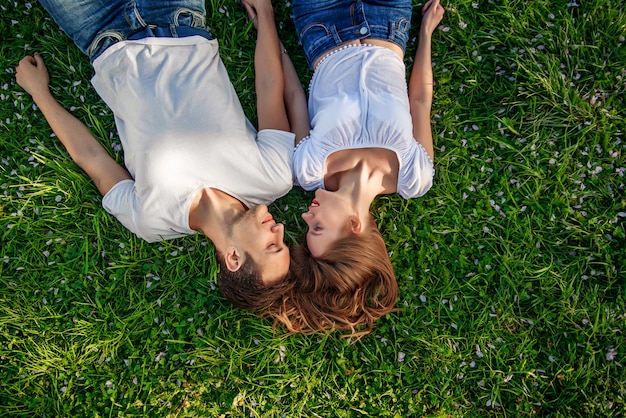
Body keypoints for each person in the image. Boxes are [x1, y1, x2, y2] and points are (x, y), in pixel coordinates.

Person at [15, 0, 307, 310]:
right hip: (177, 15)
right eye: (283, 242)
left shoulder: (151, 221)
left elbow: (92, 159)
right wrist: (265, 12)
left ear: (234, 257)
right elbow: (268, 86)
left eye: (272, 246)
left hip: (100, 31)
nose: (280, 230)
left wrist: (40, 94)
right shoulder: (273, 177)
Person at [266, 0, 446, 335]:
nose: (306, 216)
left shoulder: (309, 169)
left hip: (320, 26)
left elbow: (292, 95)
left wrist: (270, 33)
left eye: (307, 226)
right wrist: (425, 32)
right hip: (388, 22)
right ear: (354, 224)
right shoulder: (413, 176)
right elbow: (420, 99)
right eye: (317, 228)